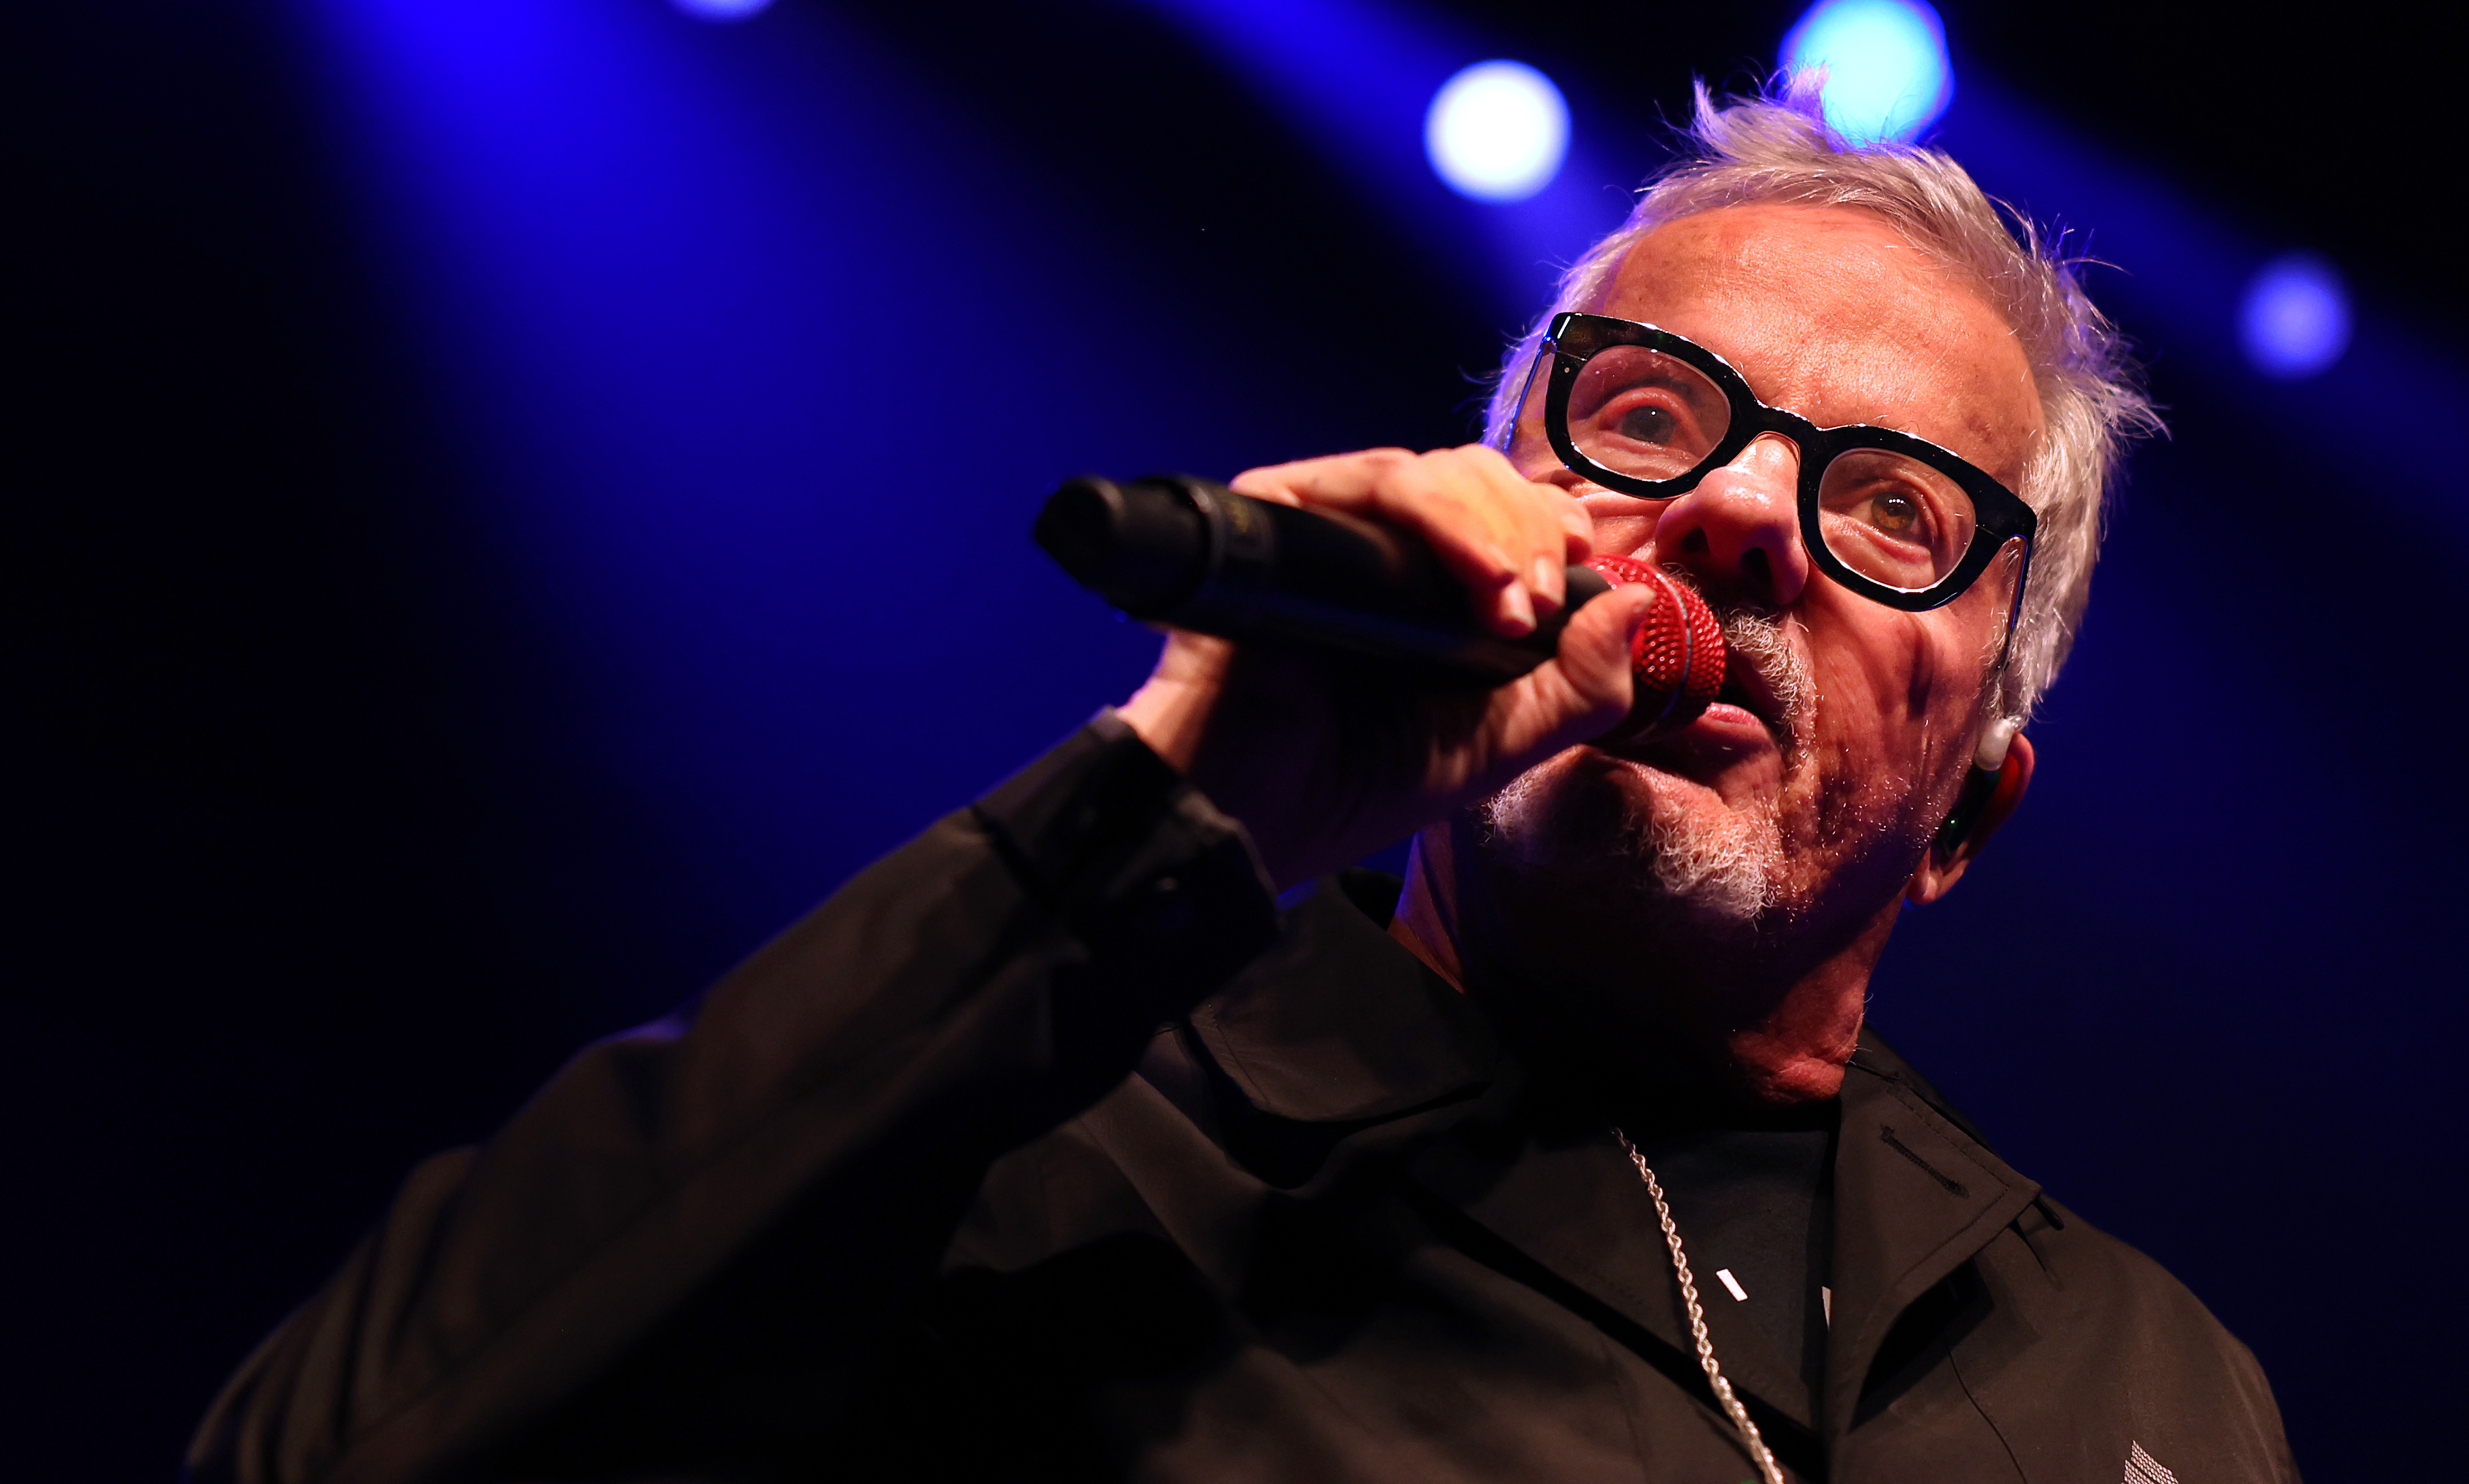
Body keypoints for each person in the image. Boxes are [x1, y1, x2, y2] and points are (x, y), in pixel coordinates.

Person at [188, 84, 2298, 1483]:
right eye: (1650, 412)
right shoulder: (1050, 1145)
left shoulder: (2149, 1385)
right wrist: (1152, 810)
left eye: (1894, 511)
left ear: (1968, 811)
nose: (1741, 506)